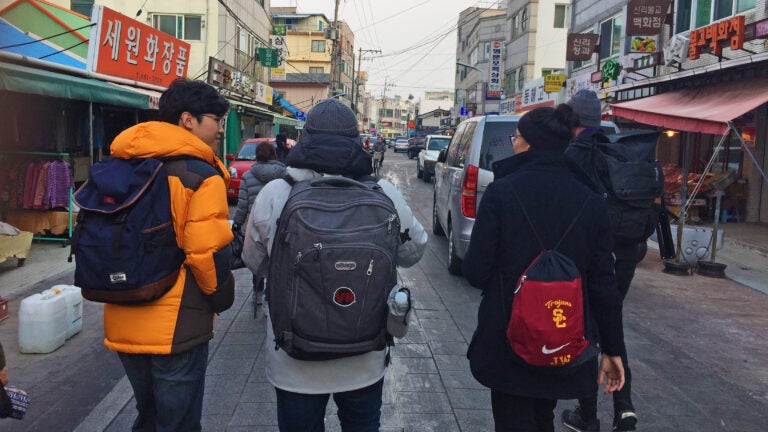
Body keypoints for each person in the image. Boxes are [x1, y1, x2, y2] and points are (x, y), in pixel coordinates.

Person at [241, 98, 427, 431]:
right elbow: (415, 249)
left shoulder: (276, 192)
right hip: (364, 356)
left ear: (306, 138)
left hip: (293, 358)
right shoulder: (382, 192)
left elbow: (253, 260)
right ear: (357, 141)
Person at [462, 106, 625, 432]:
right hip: (563, 336)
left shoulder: (501, 192)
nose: (514, 143)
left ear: (530, 143)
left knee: (513, 418)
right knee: (542, 416)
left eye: (517, 137)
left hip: (508, 337)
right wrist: (613, 349)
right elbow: (604, 283)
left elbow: (476, 270)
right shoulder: (591, 200)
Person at [104, 79, 235, 431]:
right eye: (216, 119)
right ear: (188, 120)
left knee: (148, 415)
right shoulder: (200, 175)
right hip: (177, 323)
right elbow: (205, 253)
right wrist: (220, 298)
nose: (221, 129)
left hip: (122, 309)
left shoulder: (121, 165)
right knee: (178, 422)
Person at [561, 89, 641, 432]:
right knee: (612, 325)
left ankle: (588, 415)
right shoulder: (616, 149)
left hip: (587, 257)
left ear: (572, 120)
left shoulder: (571, 156)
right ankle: (624, 409)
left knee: (585, 333)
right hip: (624, 254)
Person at [232, 141, 286, 305]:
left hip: (254, 225)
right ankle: (271, 296)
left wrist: (237, 224)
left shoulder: (248, 176)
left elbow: (242, 205)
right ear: (274, 154)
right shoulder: (283, 173)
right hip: (278, 223)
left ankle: (257, 295)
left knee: (258, 259)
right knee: (275, 259)